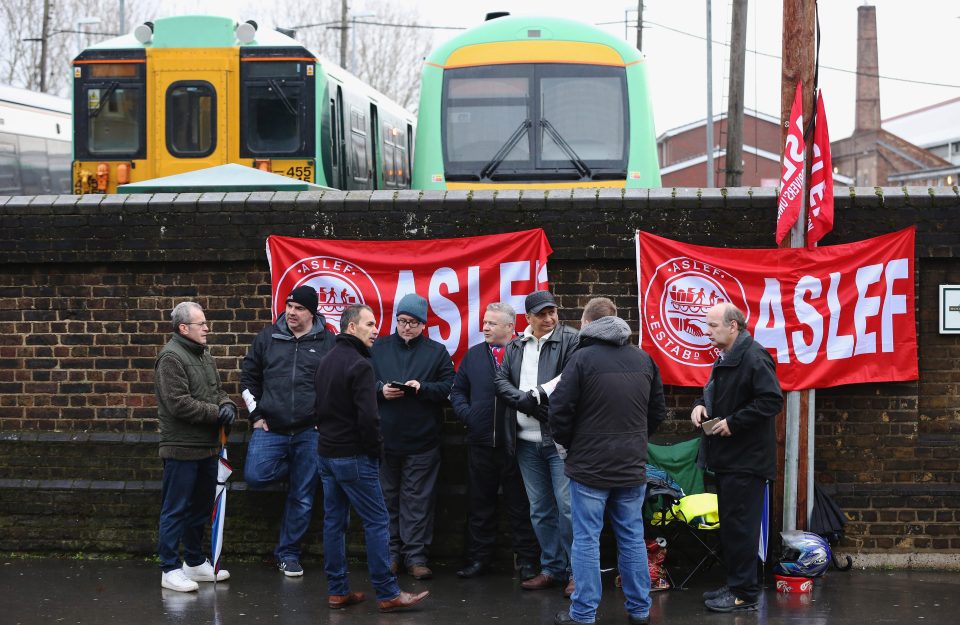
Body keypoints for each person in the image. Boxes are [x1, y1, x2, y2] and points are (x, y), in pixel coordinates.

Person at [550, 297, 666, 625]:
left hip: (589, 467)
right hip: (630, 465)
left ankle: (583, 614)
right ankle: (640, 610)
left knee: (587, 538)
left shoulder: (581, 359)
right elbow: (657, 411)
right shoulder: (643, 359)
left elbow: (560, 411)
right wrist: (634, 440)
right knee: (630, 535)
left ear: (587, 324)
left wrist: (571, 445)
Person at [313, 304, 430, 612]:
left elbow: (320, 409)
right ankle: (388, 592)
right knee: (378, 521)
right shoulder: (361, 364)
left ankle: (337, 591)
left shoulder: (326, 361)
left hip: (326, 454)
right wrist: (375, 452)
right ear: (351, 327)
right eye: (369, 324)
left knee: (334, 523)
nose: (376, 329)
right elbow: (369, 418)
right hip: (354, 456)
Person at [691, 303, 783, 613]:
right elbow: (718, 393)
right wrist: (699, 406)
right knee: (731, 527)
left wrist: (734, 422)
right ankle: (735, 585)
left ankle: (745, 592)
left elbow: (771, 400)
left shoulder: (754, 356)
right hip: (729, 459)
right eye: (707, 325)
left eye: (713, 326)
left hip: (747, 461)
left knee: (742, 528)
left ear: (734, 326)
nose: (708, 331)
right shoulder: (728, 357)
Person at [240, 285, 335, 577]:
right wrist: (256, 416)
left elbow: (337, 382)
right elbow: (248, 378)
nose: (292, 312)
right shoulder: (267, 338)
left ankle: (288, 554)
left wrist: (327, 417)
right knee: (255, 475)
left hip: (311, 432)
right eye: (289, 306)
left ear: (312, 312)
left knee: (303, 496)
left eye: (299, 308)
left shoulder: (328, 342)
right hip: (271, 428)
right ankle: (296, 473)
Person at [494, 289, 579, 597]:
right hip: (525, 442)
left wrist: (539, 394)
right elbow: (500, 382)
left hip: (558, 441)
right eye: (541, 314)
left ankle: (575, 572)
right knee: (540, 509)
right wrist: (527, 403)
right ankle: (552, 568)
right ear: (527, 318)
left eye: (552, 311)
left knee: (568, 508)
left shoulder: (570, 339)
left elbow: (571, 377)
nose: (549, 318)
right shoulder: (516, 345)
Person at [449, 302, 540, 580]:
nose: (485, 327)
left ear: (510, 327)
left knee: (521, 505)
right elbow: (458, 392)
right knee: (480, 505)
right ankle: (479, 559)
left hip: (517, 444)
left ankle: (527, 561)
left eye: (491, 323)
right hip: (480, 444)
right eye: (485, 322)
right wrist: (469, 415)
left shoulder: (526, 353)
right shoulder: (474, 356)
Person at [371, 293, 455, 579]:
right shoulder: (378, 348)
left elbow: (448, 386)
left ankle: (416, 557)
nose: (406, 327)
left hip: (423, 441)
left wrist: (423, 388)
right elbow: (359, 381)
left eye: (413, 322)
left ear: (424, 324)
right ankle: (391, 555)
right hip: (384, 439)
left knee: (418, 501)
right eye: (402, 321)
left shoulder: (436, 352)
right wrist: (380, 390)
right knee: (386, 500)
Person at [154, 301, 237, 592]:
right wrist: (217, 413)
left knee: (200, 508)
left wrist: (228, 405)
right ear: (183, 328)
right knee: (175, 509)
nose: (206, 328)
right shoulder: (170, 358)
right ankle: (169, 568)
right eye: (200, 323)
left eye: (205, 323)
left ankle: (193, 561)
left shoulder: (205, 356)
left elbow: (218, 392)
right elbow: (178, 404)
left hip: (207, 448)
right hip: (181, 448)